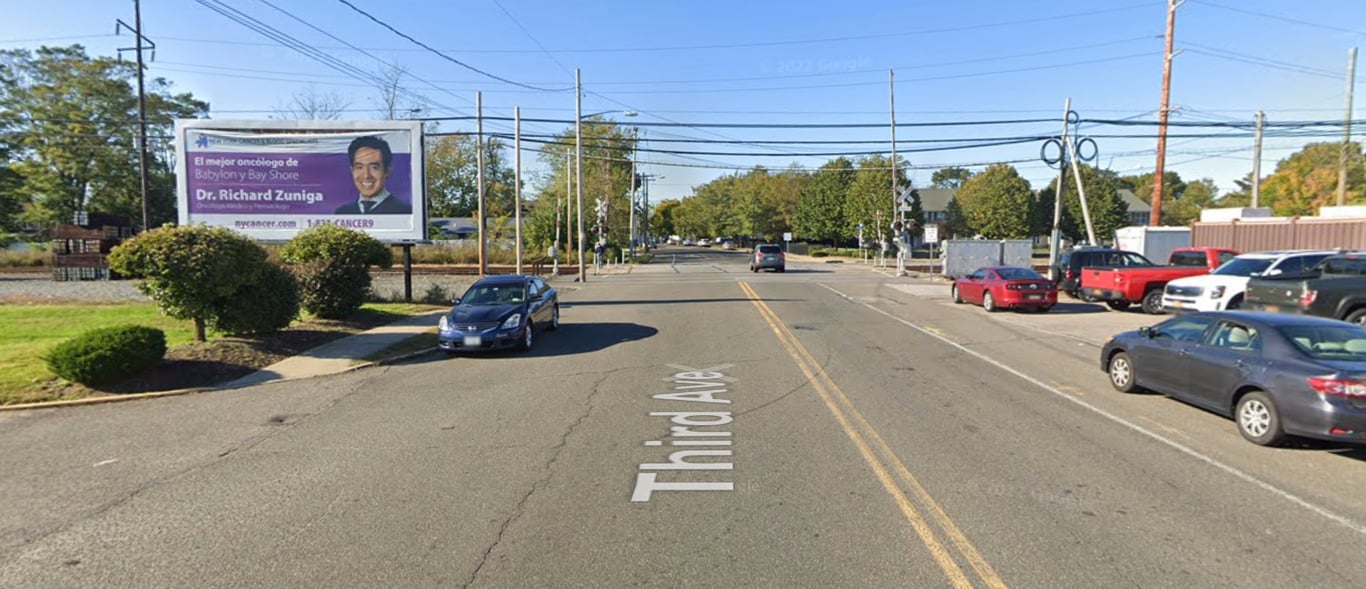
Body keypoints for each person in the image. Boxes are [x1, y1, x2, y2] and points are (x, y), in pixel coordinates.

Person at [334, 136, 412, 214]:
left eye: (374, 167)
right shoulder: (342, 213)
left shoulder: (405, 212)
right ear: (352, 171)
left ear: (387, 171)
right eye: (359, 167)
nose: (366, 175)